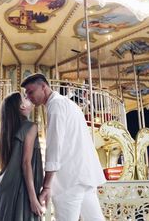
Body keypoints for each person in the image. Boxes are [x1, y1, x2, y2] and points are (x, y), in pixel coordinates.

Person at [21, 73, 106, 221]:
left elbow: (54, 146)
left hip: (69, 179)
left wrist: (47, 186)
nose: (28, 97)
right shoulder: (68, 103)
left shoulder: (55, 105)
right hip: (84, 175)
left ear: (43, 86)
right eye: (26, 94)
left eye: (31, 92)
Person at [0, 92, 44, 220]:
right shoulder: (31, 126)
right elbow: (26, 163)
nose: (28, 97)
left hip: (2, 190)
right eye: (25, 97)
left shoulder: (9, 130)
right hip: (20, 190)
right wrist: (33, 199)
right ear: (22, 107)